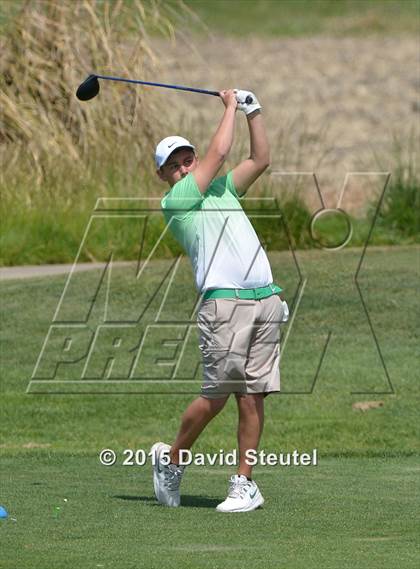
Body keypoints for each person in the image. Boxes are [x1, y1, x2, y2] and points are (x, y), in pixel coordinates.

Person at [151, 89, 288, 513]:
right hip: (223, 304)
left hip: (265, 298)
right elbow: (221, 150)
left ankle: (244, 484)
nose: (182, 167)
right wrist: (229, 105)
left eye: (186, 159)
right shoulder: (178, 202)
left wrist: (254, 110)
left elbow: (261, 158)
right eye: (173, 166)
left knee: (253, 396)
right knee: (216, 396)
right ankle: (171, 460)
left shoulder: (225, 190)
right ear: (165, 177)